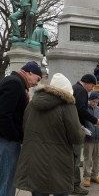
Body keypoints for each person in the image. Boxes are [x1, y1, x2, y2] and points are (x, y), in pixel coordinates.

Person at [14, 73, 85, 196]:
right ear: (66, 91)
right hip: (58, 162)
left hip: (33, 161)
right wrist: (82, 131)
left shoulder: (31, 104)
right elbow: (77, 137)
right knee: (60, 191)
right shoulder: (67, 105)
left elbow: (25, 127)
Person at [0, 61, 42, 196]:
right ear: (30, 72)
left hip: (8, 140)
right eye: (38, 78)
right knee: (7, 179)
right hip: (7, 141)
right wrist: (16, 136)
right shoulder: (14, 83)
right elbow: (3, 115)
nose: (37, 83)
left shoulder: (17, 82)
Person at [72, 74, 99, 195]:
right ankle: (76, 184)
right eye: (92, 85)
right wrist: (95, 121)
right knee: (78, 158)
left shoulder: (75, 88)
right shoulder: (81, 91)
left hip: (87, 132)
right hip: (79, 129)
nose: (92, 88)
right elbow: (81, 110)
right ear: (87, 82)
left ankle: (90, 177)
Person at [82, 92, 99, 188]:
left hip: (98, 137)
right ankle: (86, 177)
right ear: (89, 100)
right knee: (87, 158)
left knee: (96, 158)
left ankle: (94, 175)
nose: (95, 104)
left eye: (97, 102)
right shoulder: (85, 109)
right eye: (93, 101)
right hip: (89, 138)